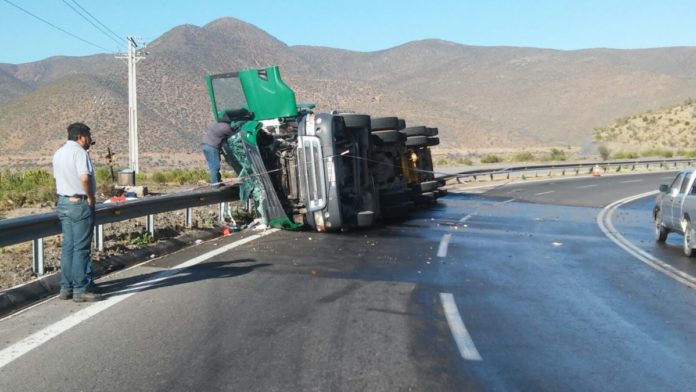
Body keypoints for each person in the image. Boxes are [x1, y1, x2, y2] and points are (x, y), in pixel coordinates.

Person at [52, 122, 101, 302]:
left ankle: (66, 288)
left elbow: (58, 177)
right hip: (79, 203)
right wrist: (90, 196)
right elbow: (84, 177)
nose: (90, 139)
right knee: (81, 248)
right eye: (88, 136)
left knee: (68, 247)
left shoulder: (59, 153)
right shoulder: (79, 153)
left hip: (63, 202)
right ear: (81, 136)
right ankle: (81, 289)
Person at [202, 120, 235, 187]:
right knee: (215, 167)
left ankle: (218, 182)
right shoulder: (226, 127)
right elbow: (233, 134)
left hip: (205, 144)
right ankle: (215, 185)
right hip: (212, 147)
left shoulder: (216, 123)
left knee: (213, 165)